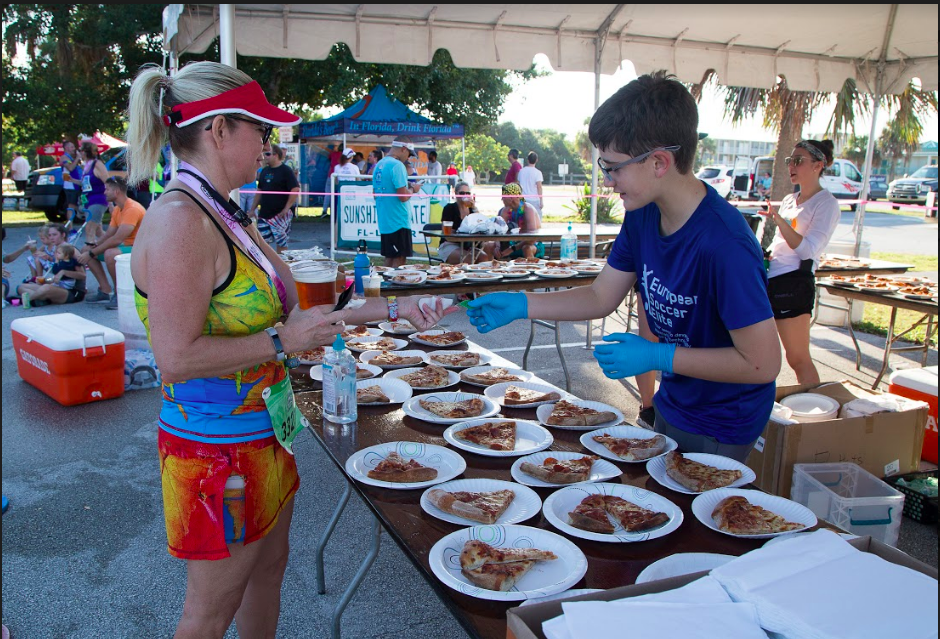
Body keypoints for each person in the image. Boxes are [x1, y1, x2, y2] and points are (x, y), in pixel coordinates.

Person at [124, 60, 455, 639]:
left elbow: (305, 311)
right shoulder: (181, 220)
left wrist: (401, 307)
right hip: (215, 453)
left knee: (268, 573)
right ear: (218, 129)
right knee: (207, 614)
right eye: (261, 128)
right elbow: (173, 357)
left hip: (266, 434)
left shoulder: (225, 211)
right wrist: (281, 340)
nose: (270, 143)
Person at [466, 71, 781, 463]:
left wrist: (659, 357)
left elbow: (762, 363)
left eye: (614, 167)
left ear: (660, 162)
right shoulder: (644, 213)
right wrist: (521, 303)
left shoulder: (725, 243)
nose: (609, 180)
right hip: (675, 399)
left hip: (723, 420)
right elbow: (601, 295)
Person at [764, 139, 840, 385]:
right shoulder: (789, 199)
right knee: (756, 355)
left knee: (797, 358)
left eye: (799, 161)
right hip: (769, 280)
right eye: (790, 160)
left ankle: (816, 413)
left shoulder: (826, 203)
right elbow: (780, 243)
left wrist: (779, 221)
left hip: (793, 284)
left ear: (818, 165)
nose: (791, 166)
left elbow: (808, 250)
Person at [77, 176, 146, 308]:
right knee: (86, 250)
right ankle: (104, 290)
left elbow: (117, 239)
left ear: (117, 192)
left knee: (110, 254)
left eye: (107, 189)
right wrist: (92, 247)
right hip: (126, 245)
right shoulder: (117, 209)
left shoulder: (132, 209)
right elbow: (109, 234)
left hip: (139, 247)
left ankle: (118, 293)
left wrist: (92, 253)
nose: (104, 192)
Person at [372, 136, 422, 267]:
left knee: (389, 257)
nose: (408, 158)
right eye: (409, 154)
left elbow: (374, 193)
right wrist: (413, 189)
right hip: (398, 220)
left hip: (385, 219)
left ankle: (384, 286)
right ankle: (393, 286)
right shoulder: (397, 165)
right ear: (404, 149)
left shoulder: (379, 165)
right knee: (399, 260)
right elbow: (403, 196)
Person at [251, 143, 299, 254]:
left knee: (281, 243)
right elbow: (260, 190)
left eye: (267, 154)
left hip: (280, 215)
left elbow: (295, 189)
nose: (265, 157)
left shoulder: (286, 170)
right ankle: (266, 268)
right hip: (264, 214)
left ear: (276, 155)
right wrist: (252, 209)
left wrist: (287, 208)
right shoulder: (264, 171)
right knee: (262, 243)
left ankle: (281, 267)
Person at [64, 141, 110, 247]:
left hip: (98, 199)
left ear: (85, 152)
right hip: (88, 199)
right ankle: (112, 245)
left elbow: (107, 181)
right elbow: (86, 184)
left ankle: (89, 255)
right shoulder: (86, 166)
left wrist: (111, 203)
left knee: (89, 228)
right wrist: (72, 180)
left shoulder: (97, 164)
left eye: (80, 150)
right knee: (99, 231)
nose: (78, 152)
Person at [438, 182, 494, 264]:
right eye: (462, 193)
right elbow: (447, 232)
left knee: (484, 257)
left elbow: (481, 223)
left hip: (468, 245)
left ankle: (478, 276)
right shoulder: (449, 208)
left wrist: (474, 207)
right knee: (468, 260)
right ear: (456, 194)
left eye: (467, 193)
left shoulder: (471, 210)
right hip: (450, 244)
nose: (465, 195)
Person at [16, 242, 86, 305]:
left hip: (69, 291)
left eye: (58, 253)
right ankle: (40, 299)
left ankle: (26, 300)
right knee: (21, 287)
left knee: (46, 288)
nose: (55, 254)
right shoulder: (59, 262)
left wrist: (64, 272)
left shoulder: (73, 262)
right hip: (56, 285)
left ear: (66, 255)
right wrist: (46, 280)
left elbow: (83, 276)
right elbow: (55, 277)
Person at [493, 182, 543, 260]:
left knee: (526, 248)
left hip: (532, 244)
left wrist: (512, 249)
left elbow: (532, 238)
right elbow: (497, 231)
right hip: (513, 244)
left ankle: (530, 270)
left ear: (511, 198)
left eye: (503, 197)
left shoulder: (528, 209)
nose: (502, 199)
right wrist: (497, 246)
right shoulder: (504, 210)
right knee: (490, 246)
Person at [59, 140, 84, 222]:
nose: (74, 149)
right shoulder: (64, 157)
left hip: (76, 184)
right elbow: (70, 168)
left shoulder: (71, 158)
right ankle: (70, 227)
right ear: (66, 148)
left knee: (75, 204)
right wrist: (77, 158)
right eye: (72, 147)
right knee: (71, 206)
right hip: (70, 185)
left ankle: (81, 212)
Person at [517, 151, 544, 216]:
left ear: (528, 160)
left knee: (522, 219)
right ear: (536, 160)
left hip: (522, 199)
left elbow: (518, 184)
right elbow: (539, 187)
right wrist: (541, 200)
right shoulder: (538, 173)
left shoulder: (521, 171)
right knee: (536, 219)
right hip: (534, 199)